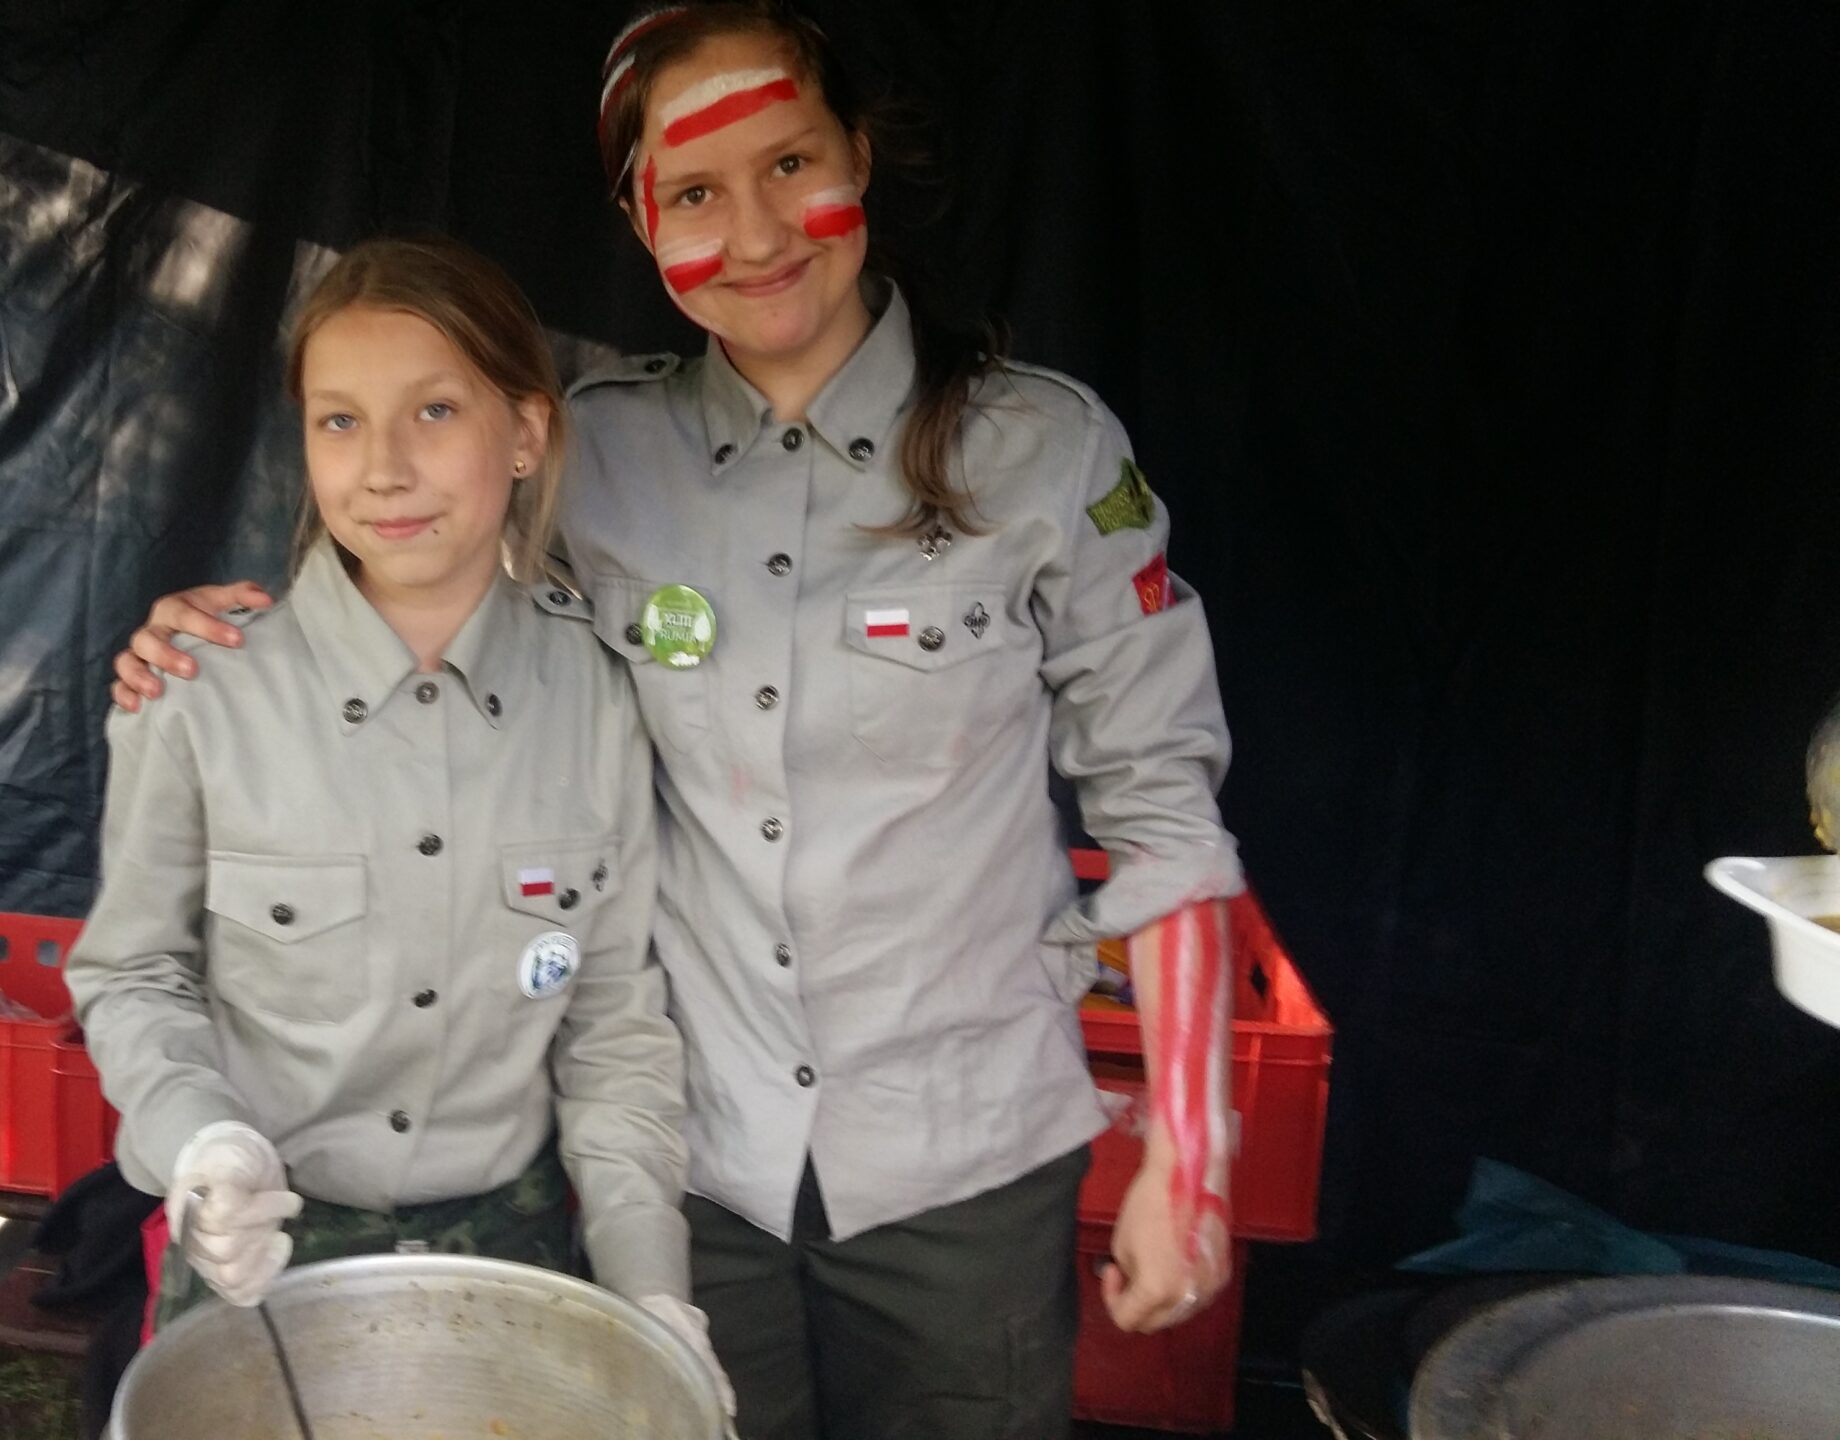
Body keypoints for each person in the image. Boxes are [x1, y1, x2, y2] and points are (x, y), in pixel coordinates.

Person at [111, 7, 1244, 1436]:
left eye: (791, 164)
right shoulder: (592, 455)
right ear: (643, 223)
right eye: (697, 191)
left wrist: (1189, 1149)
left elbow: (1162, 808)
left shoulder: (1041, 452)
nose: (755, 233)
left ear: (860, 157)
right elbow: (407, 585)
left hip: (965, 1168)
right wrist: (209, 647)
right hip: (699, 1175)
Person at [65, 235, 732, 1415]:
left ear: (523, 433)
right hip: (261, 1247)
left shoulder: (600, 696)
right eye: (339, 421)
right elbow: (131, 971)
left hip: (515, 1252)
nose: (382, 468)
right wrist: (202, 1143)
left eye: (433, 411)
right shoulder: (199, 689)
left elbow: (614, 1022)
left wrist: (649, 1286)